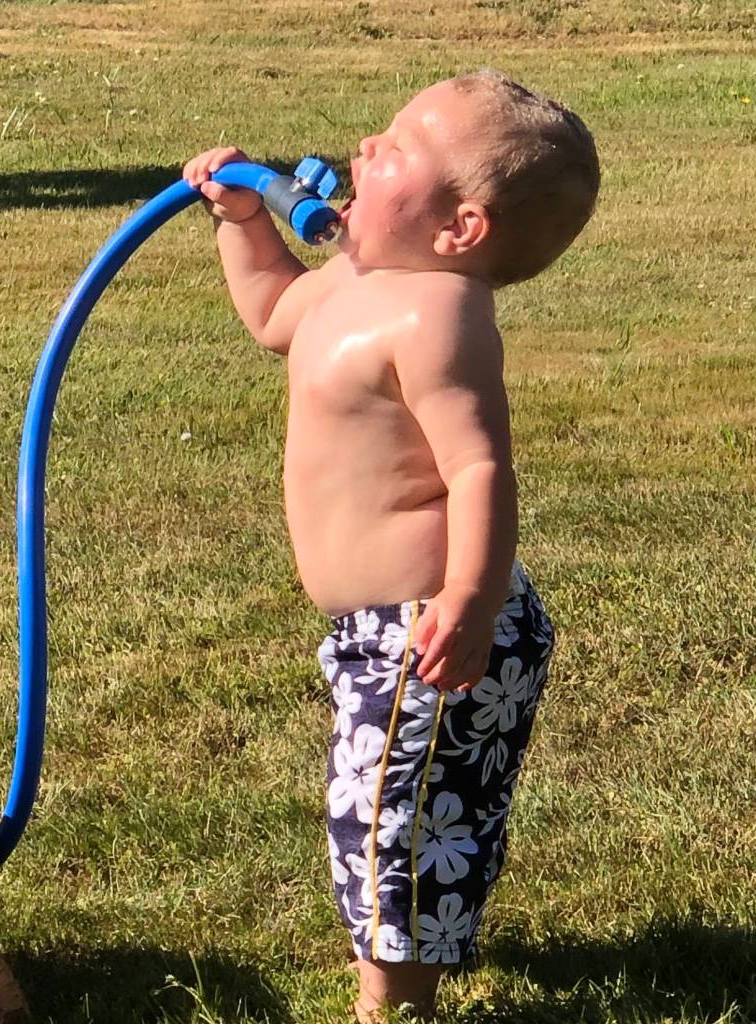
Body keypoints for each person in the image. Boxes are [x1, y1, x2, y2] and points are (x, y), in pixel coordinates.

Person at [183, 69, 599, 1022]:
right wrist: (245, 223)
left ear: (460, 229)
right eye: (379, 135)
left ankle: (393, 1007)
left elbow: (480, 468)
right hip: (380, 631)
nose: (367, 149)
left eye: (399, 148)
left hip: (431, 630)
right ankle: (409, 970)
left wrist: (472, 599)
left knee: (390, 821)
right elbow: (269, 317)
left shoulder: (439, 314)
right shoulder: (349, 280)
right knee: (401, 811)